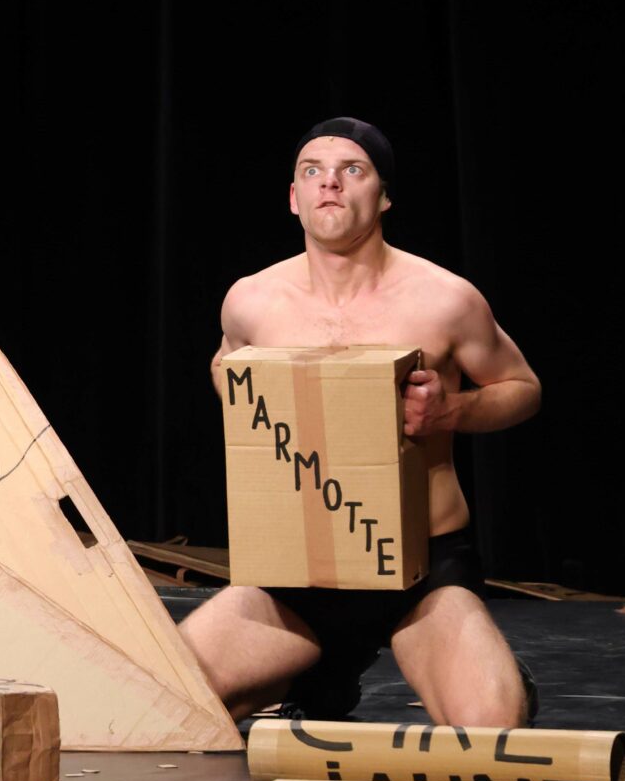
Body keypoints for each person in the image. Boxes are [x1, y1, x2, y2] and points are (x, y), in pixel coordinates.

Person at [181, 117, 541, 727]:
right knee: (169, 703)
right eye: (312, 171)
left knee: (490, 730)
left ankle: (510, 683)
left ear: (384, 196)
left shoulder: (444, 299)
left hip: (421, 570)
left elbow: (524, 389)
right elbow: (225, 365)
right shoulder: (252, 300)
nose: (330, 183)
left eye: (352, 170)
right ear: (293, 198)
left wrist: (450, 410)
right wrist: (252, 405)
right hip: (295, 573)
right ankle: (316, 674)